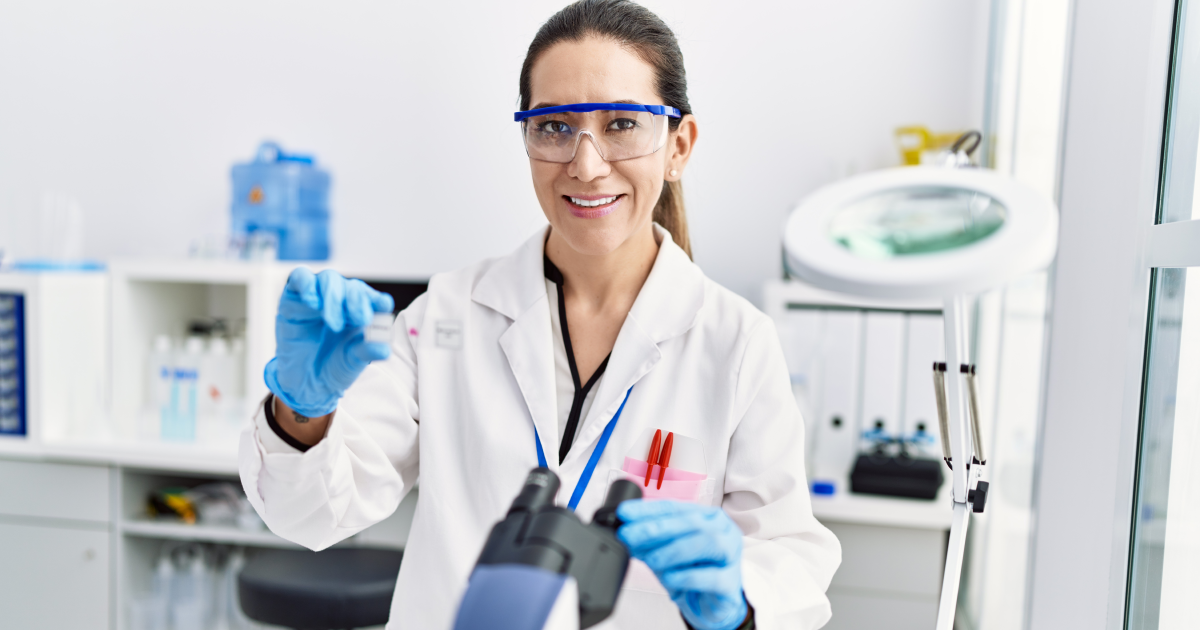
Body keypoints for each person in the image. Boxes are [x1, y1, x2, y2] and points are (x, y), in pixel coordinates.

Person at [238, 1, 841, 628]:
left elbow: (789, 558)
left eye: (622, 124)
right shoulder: (449, 316)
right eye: (554, 127)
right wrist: (303, 412)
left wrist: (740, 595)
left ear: (677, 145)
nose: (585, 163)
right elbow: (310, 515)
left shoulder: (735, 343)